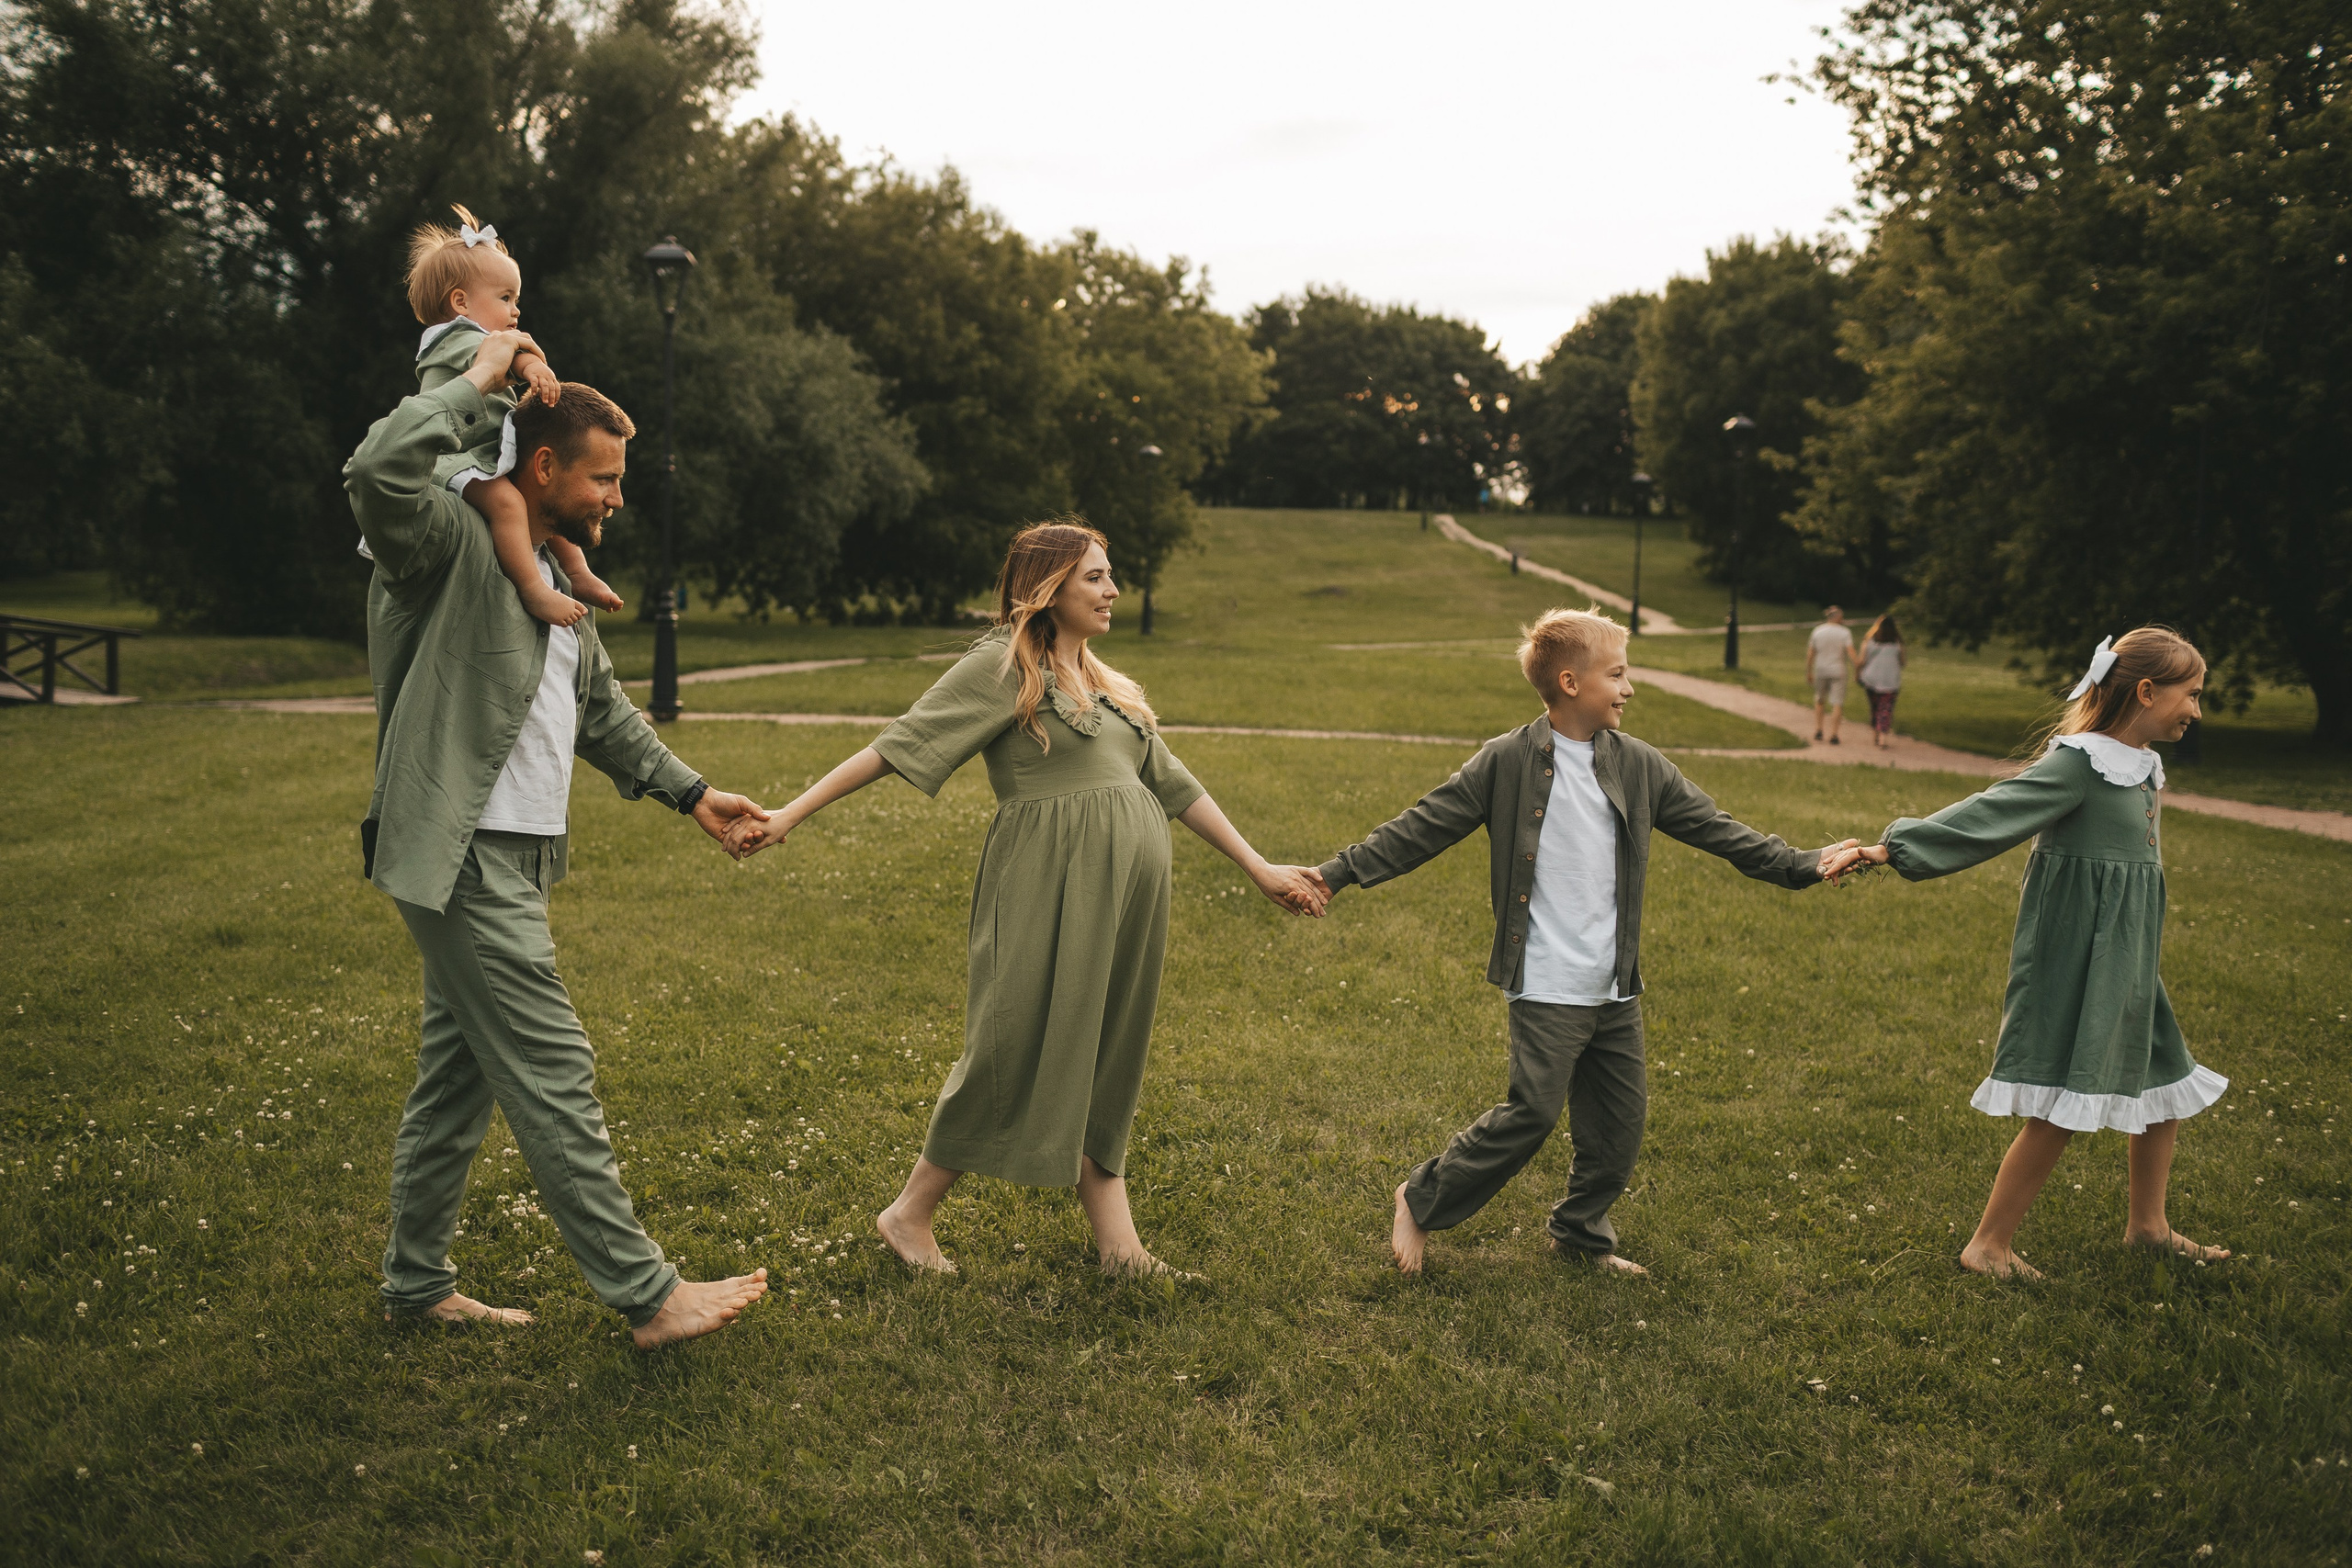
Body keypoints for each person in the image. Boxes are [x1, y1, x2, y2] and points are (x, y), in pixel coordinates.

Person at [724, 521, 1329, 1278]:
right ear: (1048, 588)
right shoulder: (1002, 665)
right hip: (1047, 879)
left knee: (1107, 1046)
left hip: (1128, 895)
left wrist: (1257, 865)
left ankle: (1120, 1247)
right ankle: (908, 1214)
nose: (1113, 590)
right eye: (1095, 578)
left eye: (1110, 575)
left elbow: (1173, 783)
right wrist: (788, 814)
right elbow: (895, 745)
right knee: (1012, 1043)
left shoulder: (1107, 683)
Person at [345, 324, 772, 1347]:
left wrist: (693, 794)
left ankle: (416, 1286)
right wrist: (476, 381)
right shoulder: (444, 539)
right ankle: (647, 1293)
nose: (616, 497)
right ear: (542, 465)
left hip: (521, 853)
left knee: (458, 1078)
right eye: (603, 477)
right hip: (463, 851)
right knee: (550, 1063)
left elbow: (603, 710)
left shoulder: (547, 567)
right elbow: (373, 471)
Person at [1305, 609, 1865, 1278]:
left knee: (1618, 1126)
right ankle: (1420, 1198)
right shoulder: (1506, 761)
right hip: (1545, 976)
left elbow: (1719, 829)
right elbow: (1422, 825)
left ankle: (1579, 1233)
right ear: (1571, 682)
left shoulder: (1639, 765)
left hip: (1613, 982)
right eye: (1618, 674)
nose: (1629, 688)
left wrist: (1803, 863)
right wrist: (1336, 874)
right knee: (1533, 1112)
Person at [1838, 627, 2229, 1279]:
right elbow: (1994, 811)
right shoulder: (2079, 764)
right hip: (2082, 957)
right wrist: (1894, 848)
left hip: (2129, 957)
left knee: (2163, 1078)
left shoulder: (2138, 765)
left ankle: (2149, 1226)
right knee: (2065, 1093)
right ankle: (1988, 1245)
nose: (2197, 709)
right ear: (2146, 691)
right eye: (2191, 694)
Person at [380, 204, 624, 627]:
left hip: (483, 455)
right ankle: (533, 589)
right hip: (456, 458)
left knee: (545, 505)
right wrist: (533, 367)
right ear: (460, 303)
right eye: (505, 298)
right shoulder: (455, 338)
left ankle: (578, 573)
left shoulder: (478, 338)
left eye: (516, 299)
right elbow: (507, 357)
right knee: (510, 504)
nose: (515, 310)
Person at [1806, 605, 1858, 744]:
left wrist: (1809, 671)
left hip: (1821, 669)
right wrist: (1857, 669)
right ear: (1838, 617)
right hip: (1838, 671)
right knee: (1837, 703)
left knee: (1819, 700)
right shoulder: (1844, 632)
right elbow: (1851, 652)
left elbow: (1811, 653)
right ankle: (1834, 734)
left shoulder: (1818, 631)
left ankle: (1819, 729)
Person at [1856, 613, 1907, 750]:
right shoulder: (1897, 644)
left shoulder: (1870, 642)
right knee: (1885, 709)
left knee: (1874, 708)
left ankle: (1875, 735)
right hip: (1890, 682)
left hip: (1871, 680)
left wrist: (1857, 674)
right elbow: (1903, 662)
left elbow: (1861, 661)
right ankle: (1883, 738)